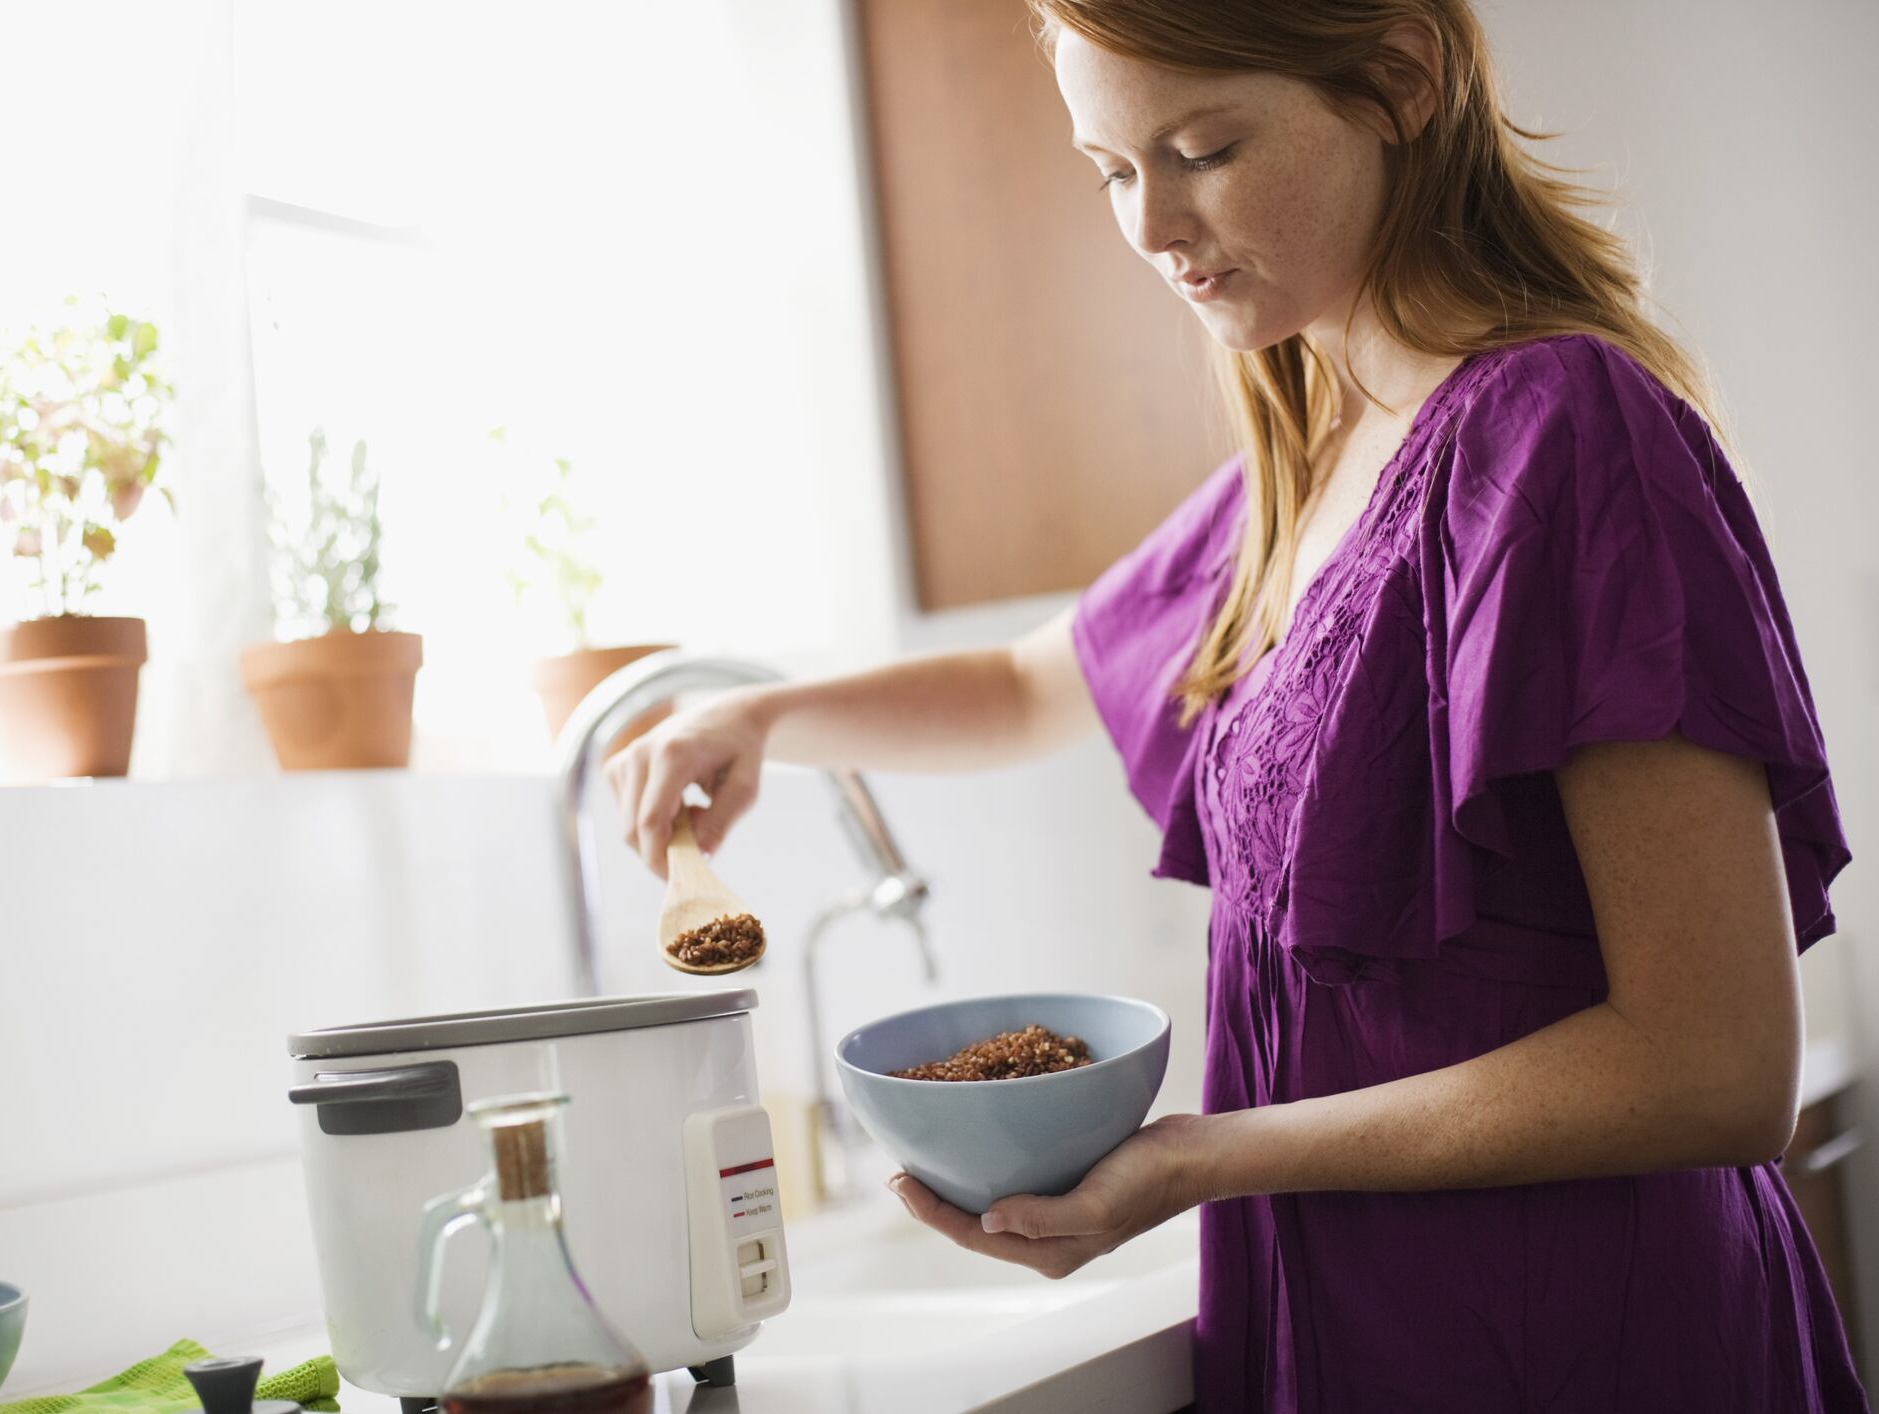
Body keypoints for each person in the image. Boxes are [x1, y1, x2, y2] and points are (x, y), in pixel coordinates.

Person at [604, 1, 1863, 1408]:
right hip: (1343, 1321)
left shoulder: (1562, 435)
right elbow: (1036, 681)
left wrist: (1212, 1156)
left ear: (1398, 79)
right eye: (1109, 168)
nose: (1148, 224)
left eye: (1199, 147)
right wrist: (765, 717)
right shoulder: (1313, 451)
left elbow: (1716, 1061)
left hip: (1571, 1329)